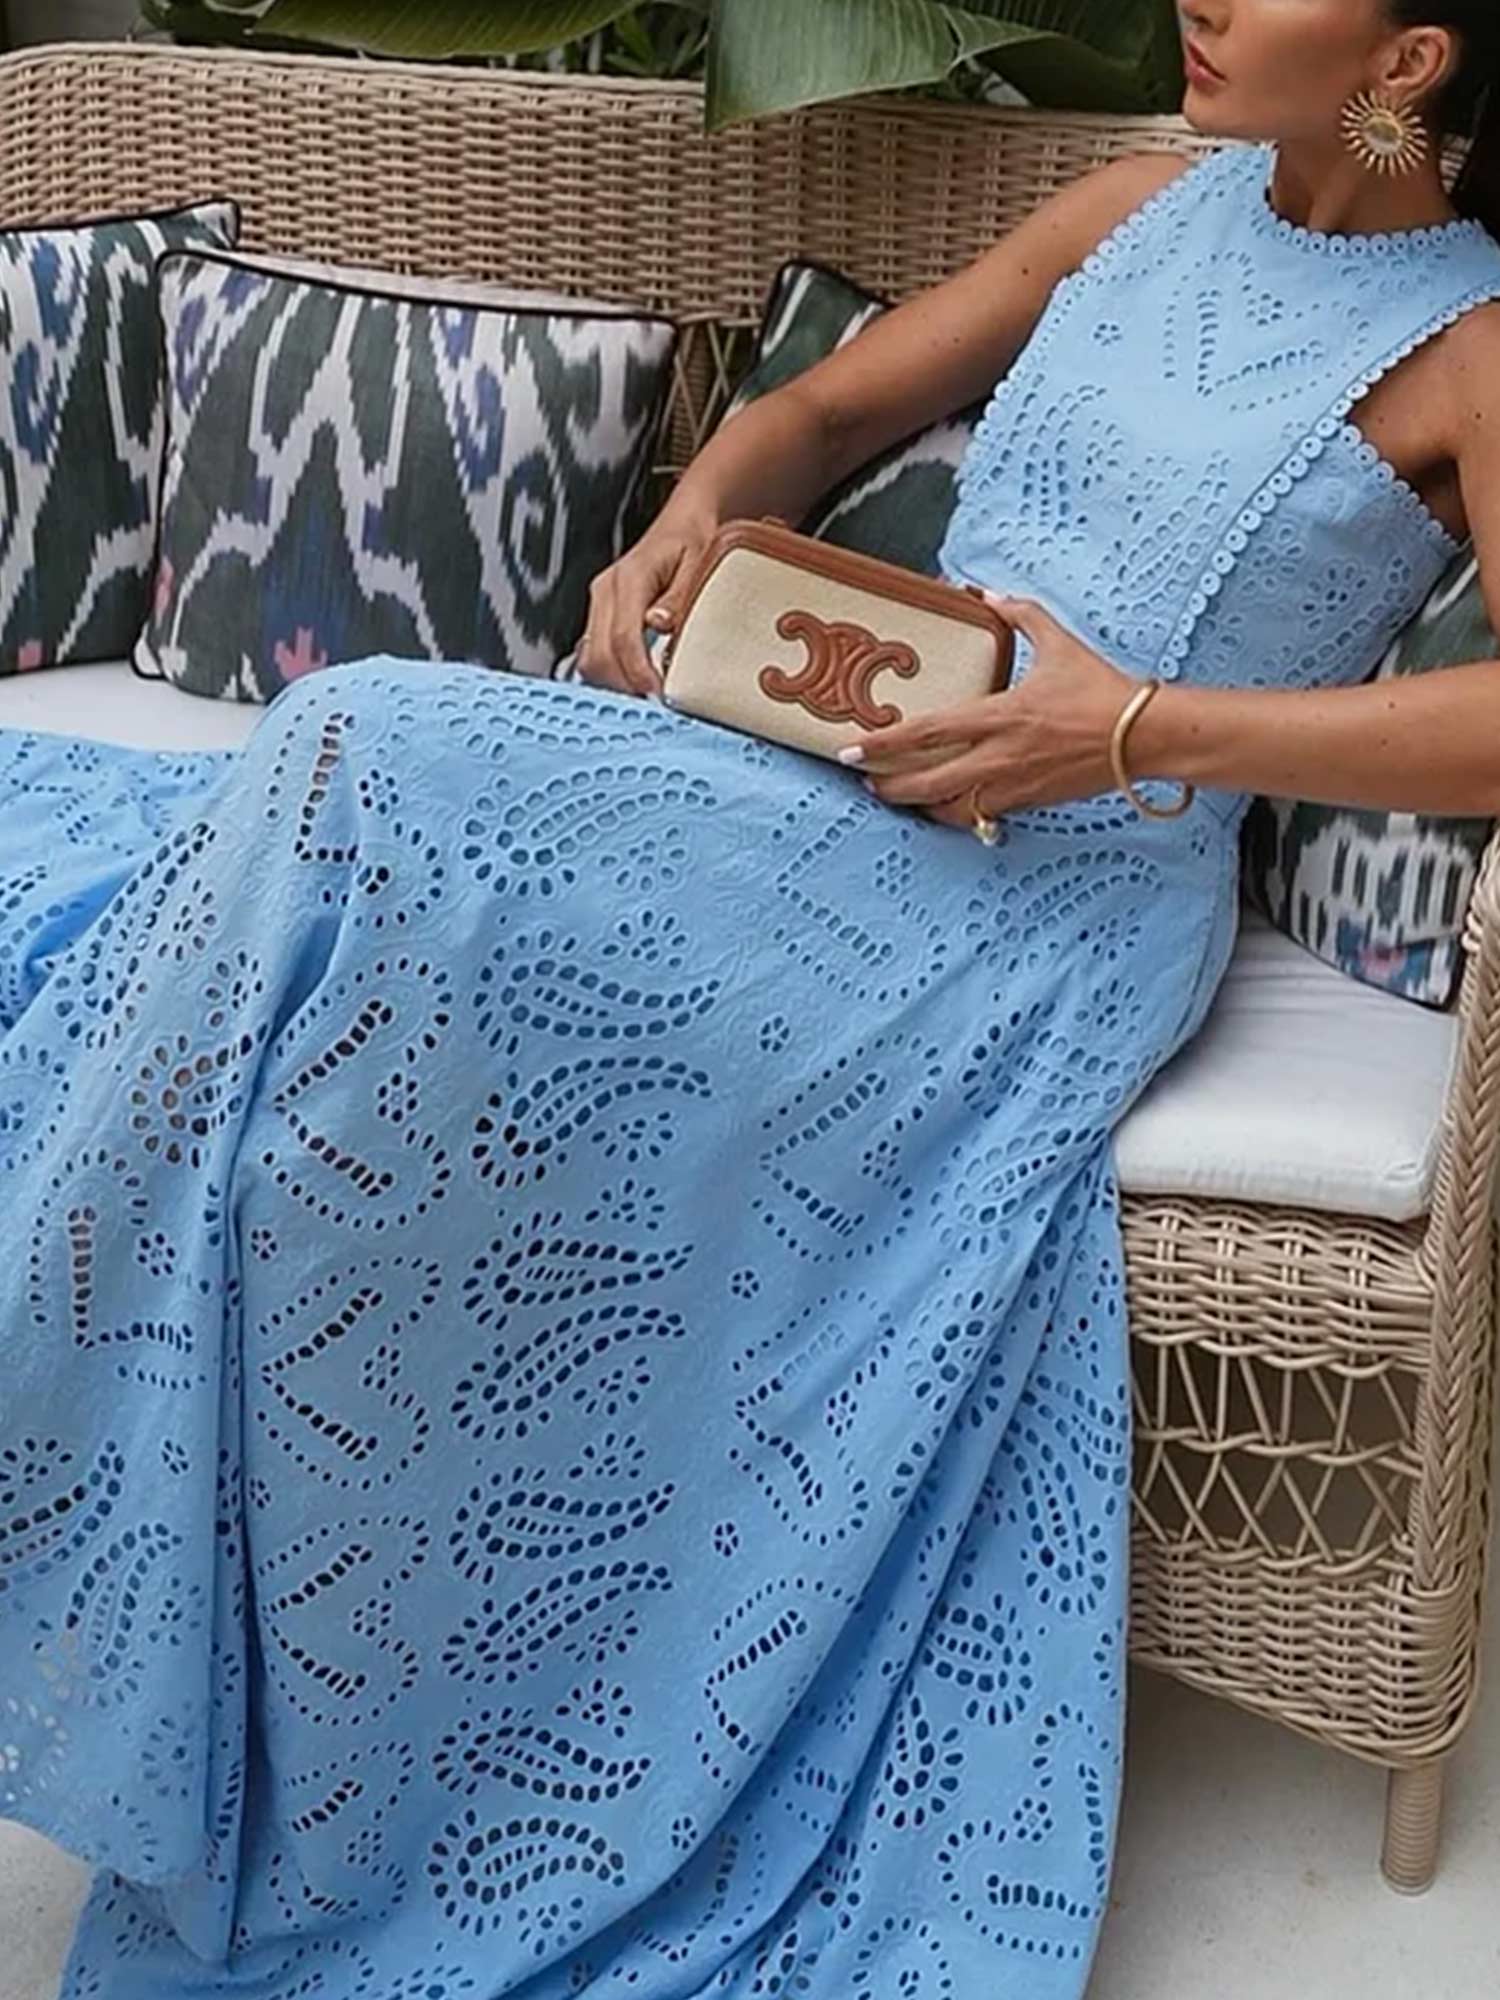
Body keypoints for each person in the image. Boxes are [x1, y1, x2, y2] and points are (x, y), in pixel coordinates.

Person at [1, 4, 1498, 1996]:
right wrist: (685, 527)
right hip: (831, 770)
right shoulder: (1136, 210)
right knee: (337, 829)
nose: (1202, 0)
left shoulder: (1472, 352)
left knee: (360, 762)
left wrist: (1138, 725)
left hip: (1050, 909)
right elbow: (816, 416)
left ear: (1409, 59)